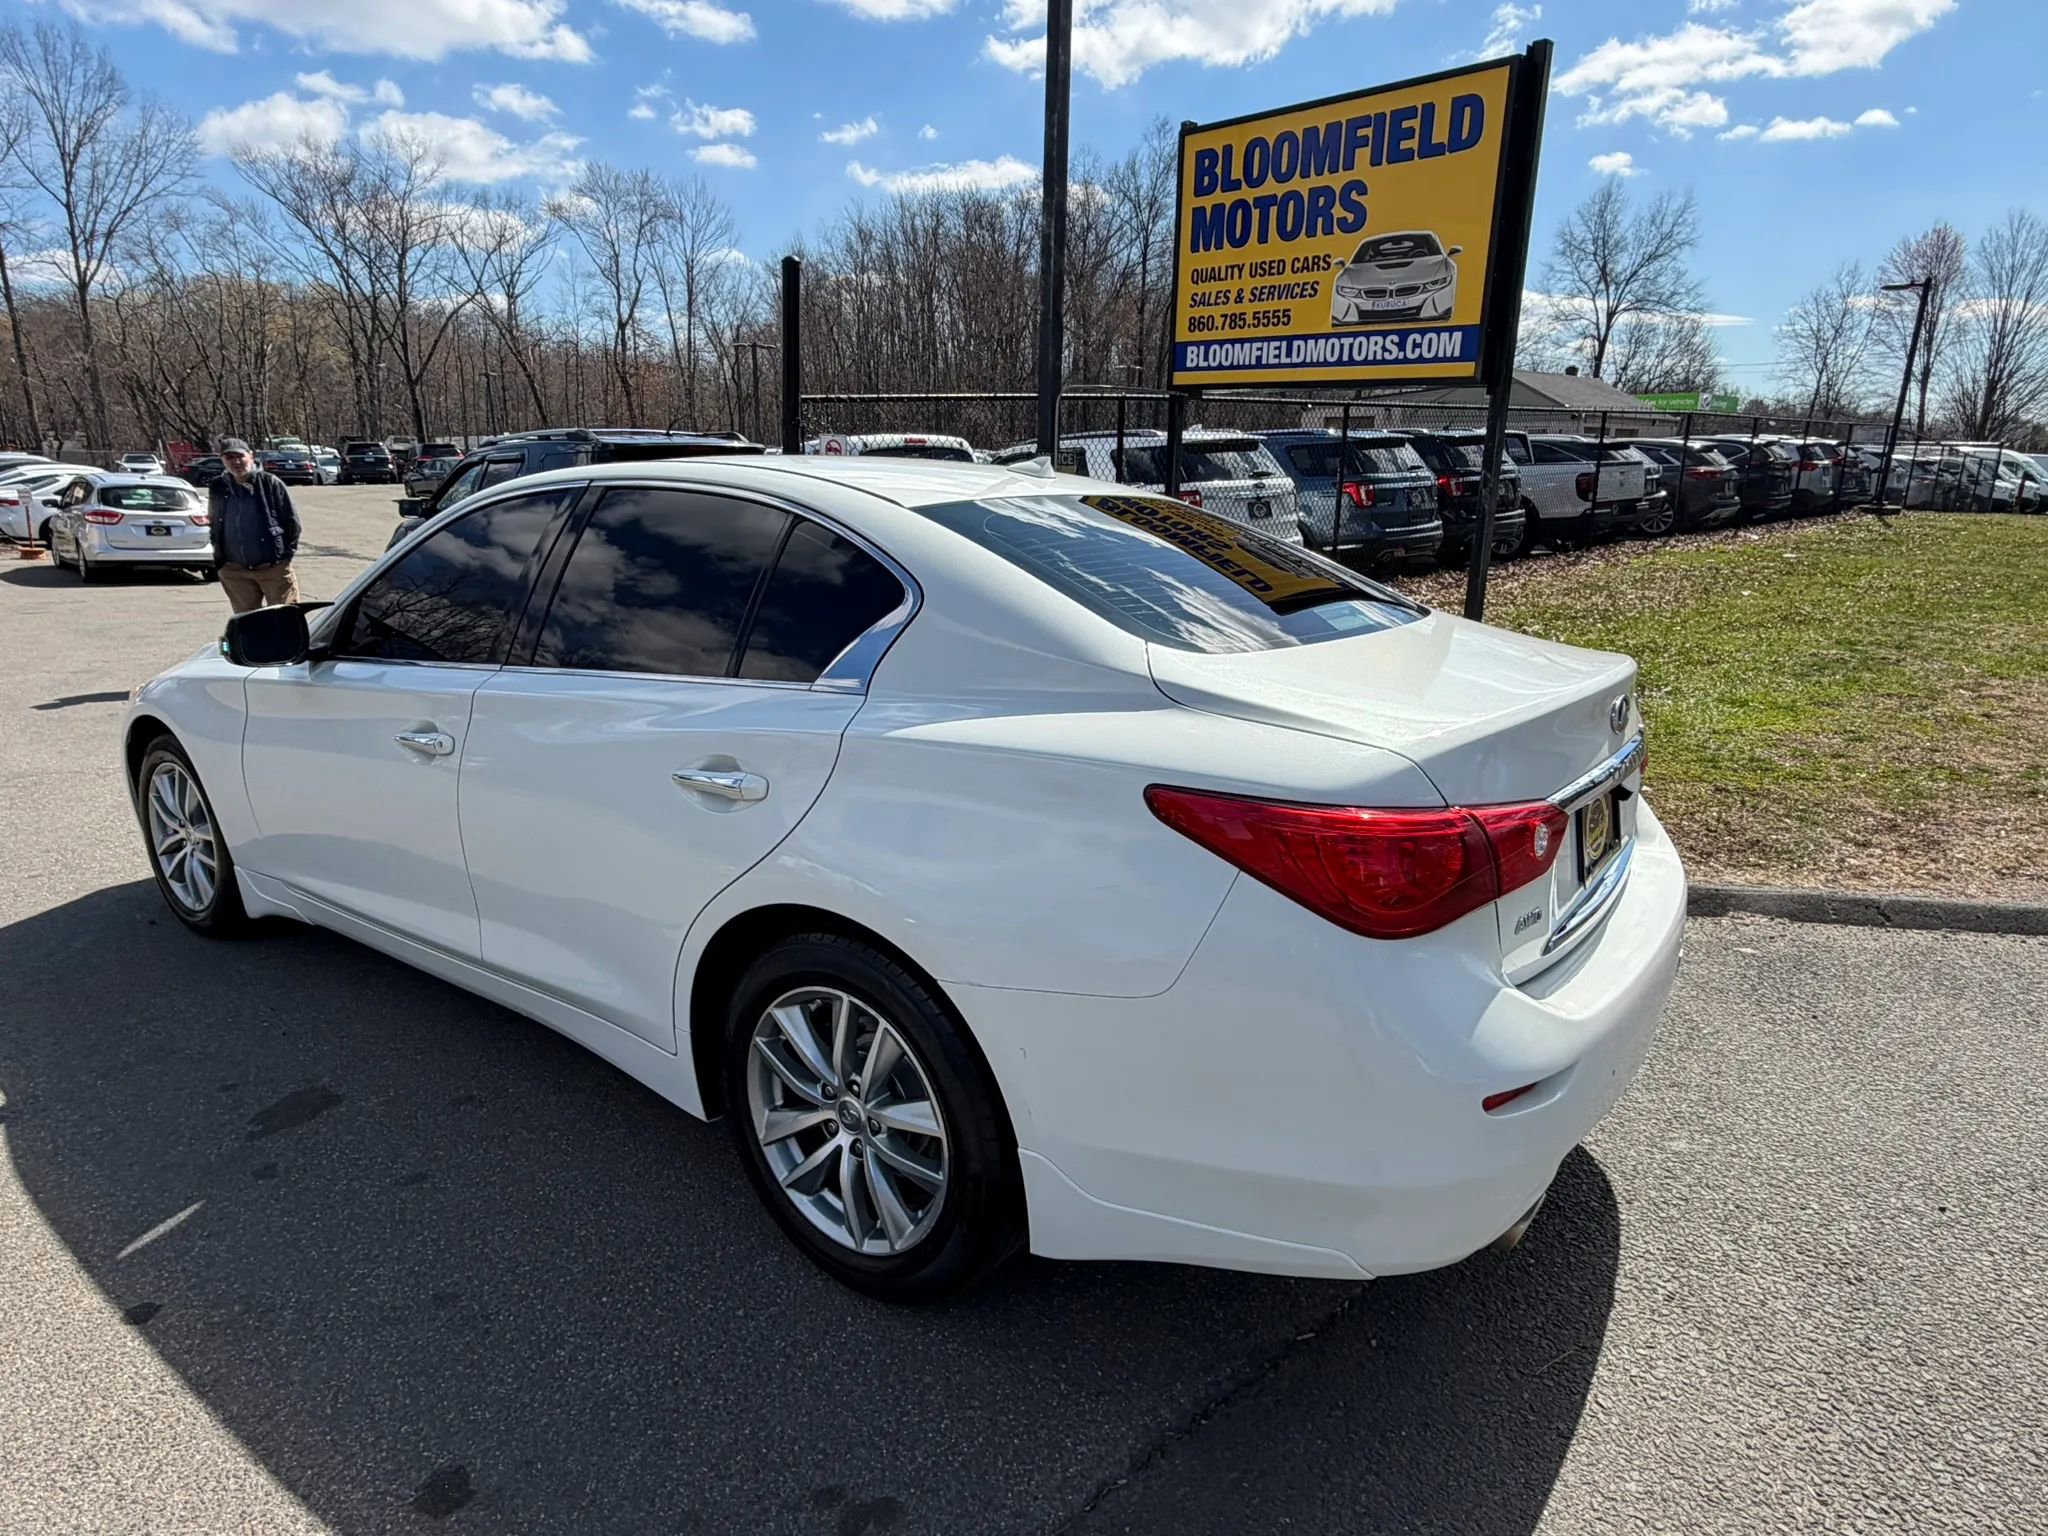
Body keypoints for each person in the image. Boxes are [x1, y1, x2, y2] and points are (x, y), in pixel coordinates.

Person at [208, 437, 301, 613]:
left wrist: (284, 558)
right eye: (229, 458)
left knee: (285, 618)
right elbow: (214, 522)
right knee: (246, 622)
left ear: (250, 456)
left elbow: (292, 523)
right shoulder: (218, 486)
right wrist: (221, 560)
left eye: (239, 456)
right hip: (234, 570)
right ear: (222, 460)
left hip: (272, 567)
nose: (236, 462)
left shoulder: (270, 483)